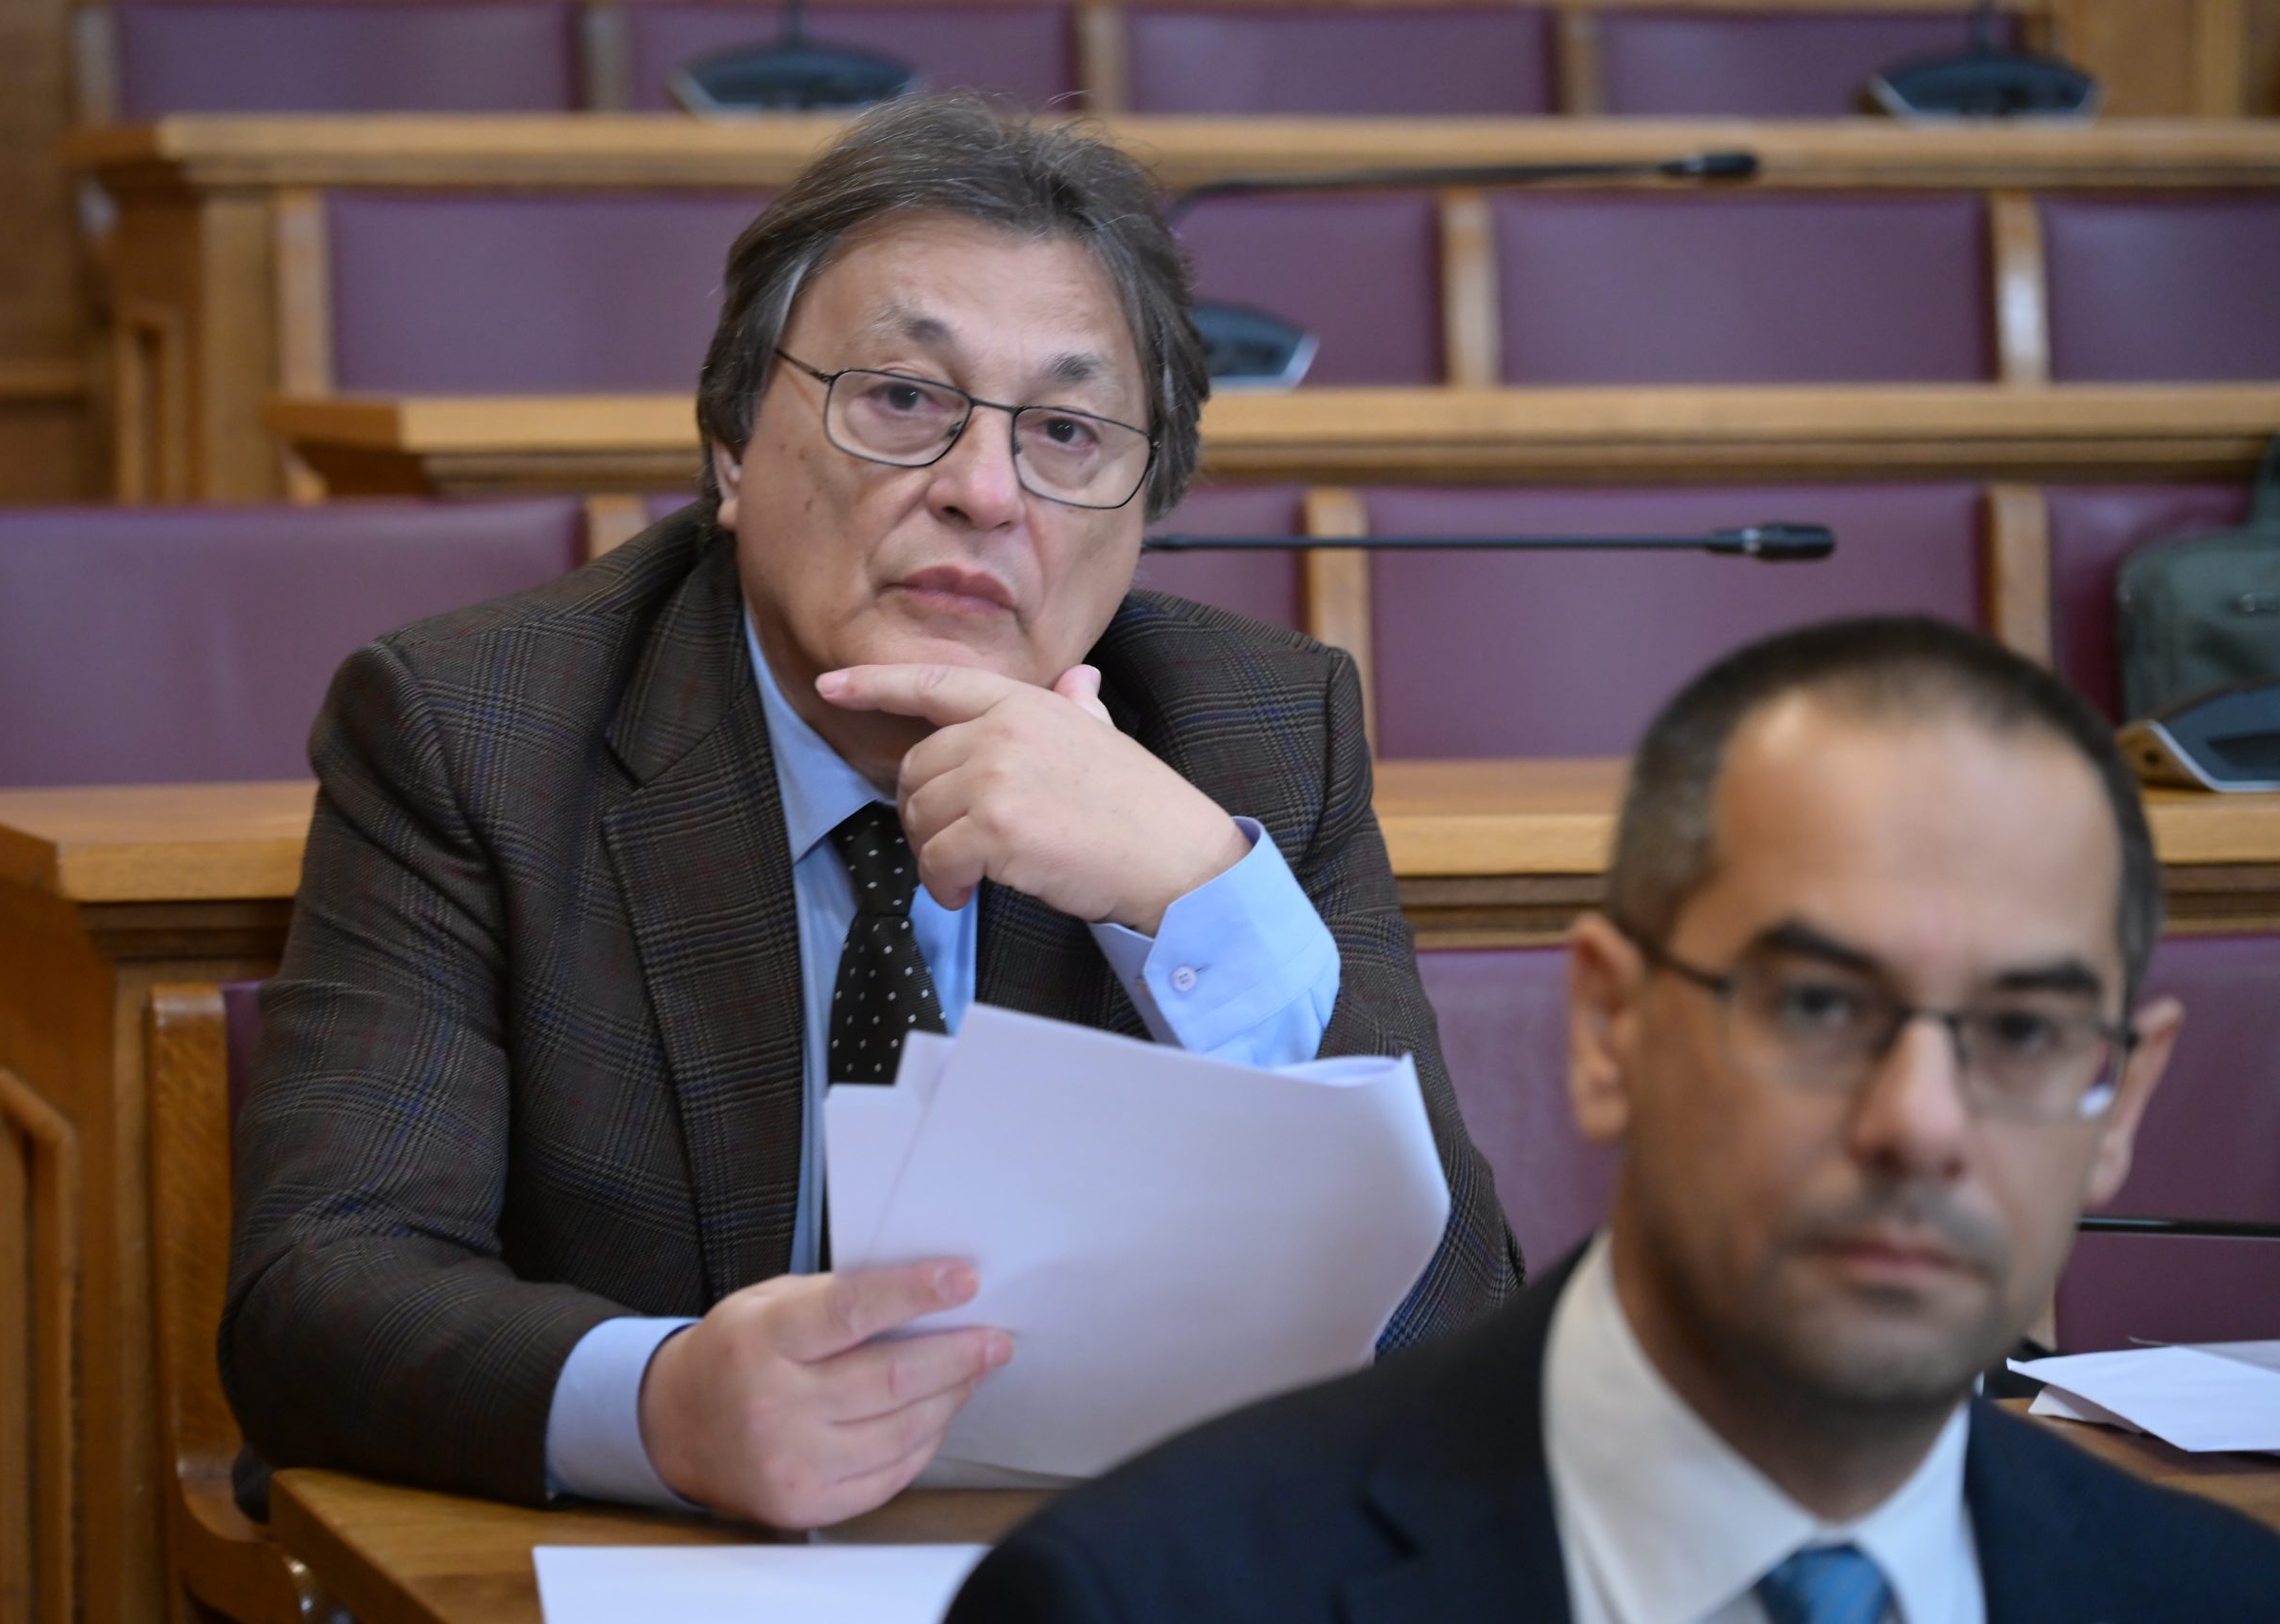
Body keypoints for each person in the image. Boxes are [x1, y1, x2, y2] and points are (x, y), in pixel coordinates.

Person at [219, 93, 1522, 1534]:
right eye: (903, 400)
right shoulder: (476, 732)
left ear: (1146, 513)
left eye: (1068, 432)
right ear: (732, 444)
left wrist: (1202, 906)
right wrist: (663, 1407)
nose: (983, 492)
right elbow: (321, 1291)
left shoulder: (1252, 740)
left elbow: (1459, 1348)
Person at [949, 615, 2280, 1622]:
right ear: (1608, 1028)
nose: (1919, 1124)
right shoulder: (1139, 1597)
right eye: (1818, 1007)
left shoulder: (2224, 1599)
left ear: (2124, 1100)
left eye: (2025, 1033)